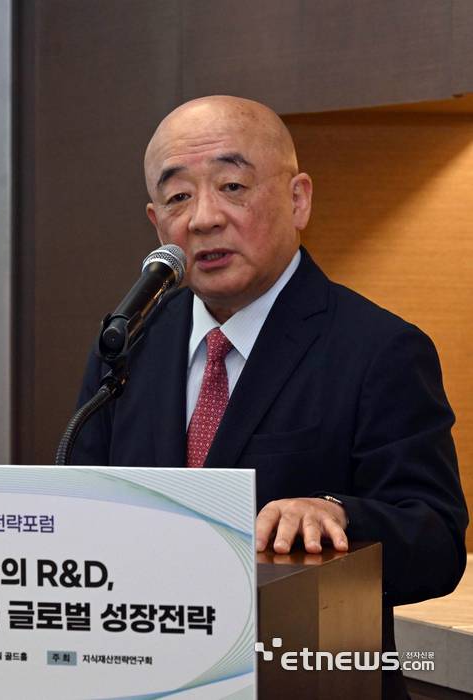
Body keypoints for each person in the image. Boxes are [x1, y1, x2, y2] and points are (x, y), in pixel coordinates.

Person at [73, 95, 468, 698]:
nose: (203, 218)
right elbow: (87, 521)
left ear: (298, 199)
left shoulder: (379, 348)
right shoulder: (128, 343)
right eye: (178, 197)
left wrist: (339, 513)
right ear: (156, 223)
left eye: (232, 186)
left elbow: (436, 543)